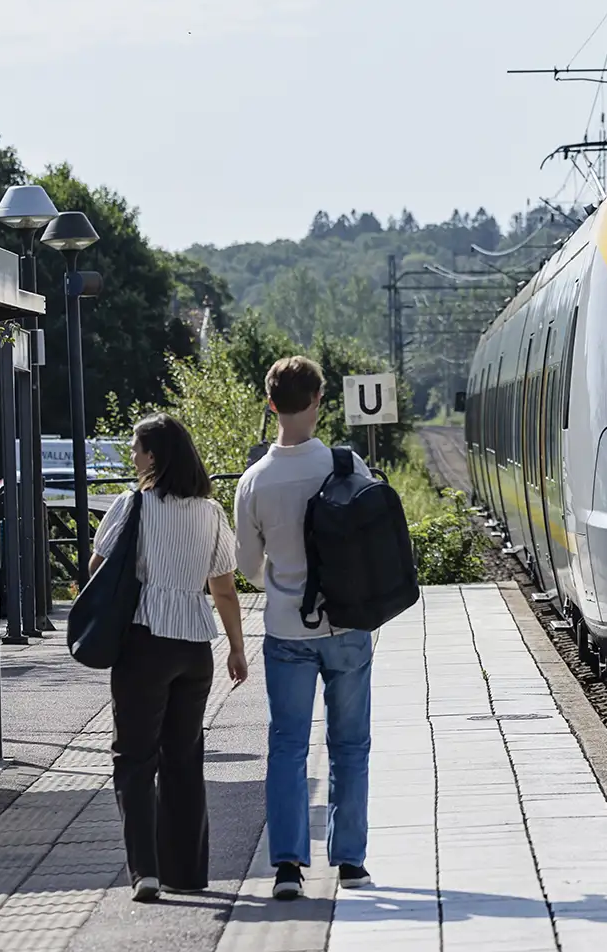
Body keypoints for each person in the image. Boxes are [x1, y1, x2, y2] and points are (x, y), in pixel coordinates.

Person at [87, 413, 249, 902]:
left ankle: (146, 872)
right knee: (183, 760)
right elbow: (224, 589)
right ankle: (187, 872)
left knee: (135, 759)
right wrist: (237, 648)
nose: (133, 457)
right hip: (195, 650)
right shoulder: (210, 512)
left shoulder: (132, 504)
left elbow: (98, 565)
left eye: (137, 449)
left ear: (153, 455)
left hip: (145, 642)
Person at [234, 356, 375, 900]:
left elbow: (248, 566)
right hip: (346, 628)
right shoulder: (346, 465)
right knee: (350, 745)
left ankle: (289, 867)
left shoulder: (254, 481)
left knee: (288, 745)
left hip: (287, 631)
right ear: (318, 401)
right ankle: (351, 863)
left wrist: (281, 567)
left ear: (271, 403)